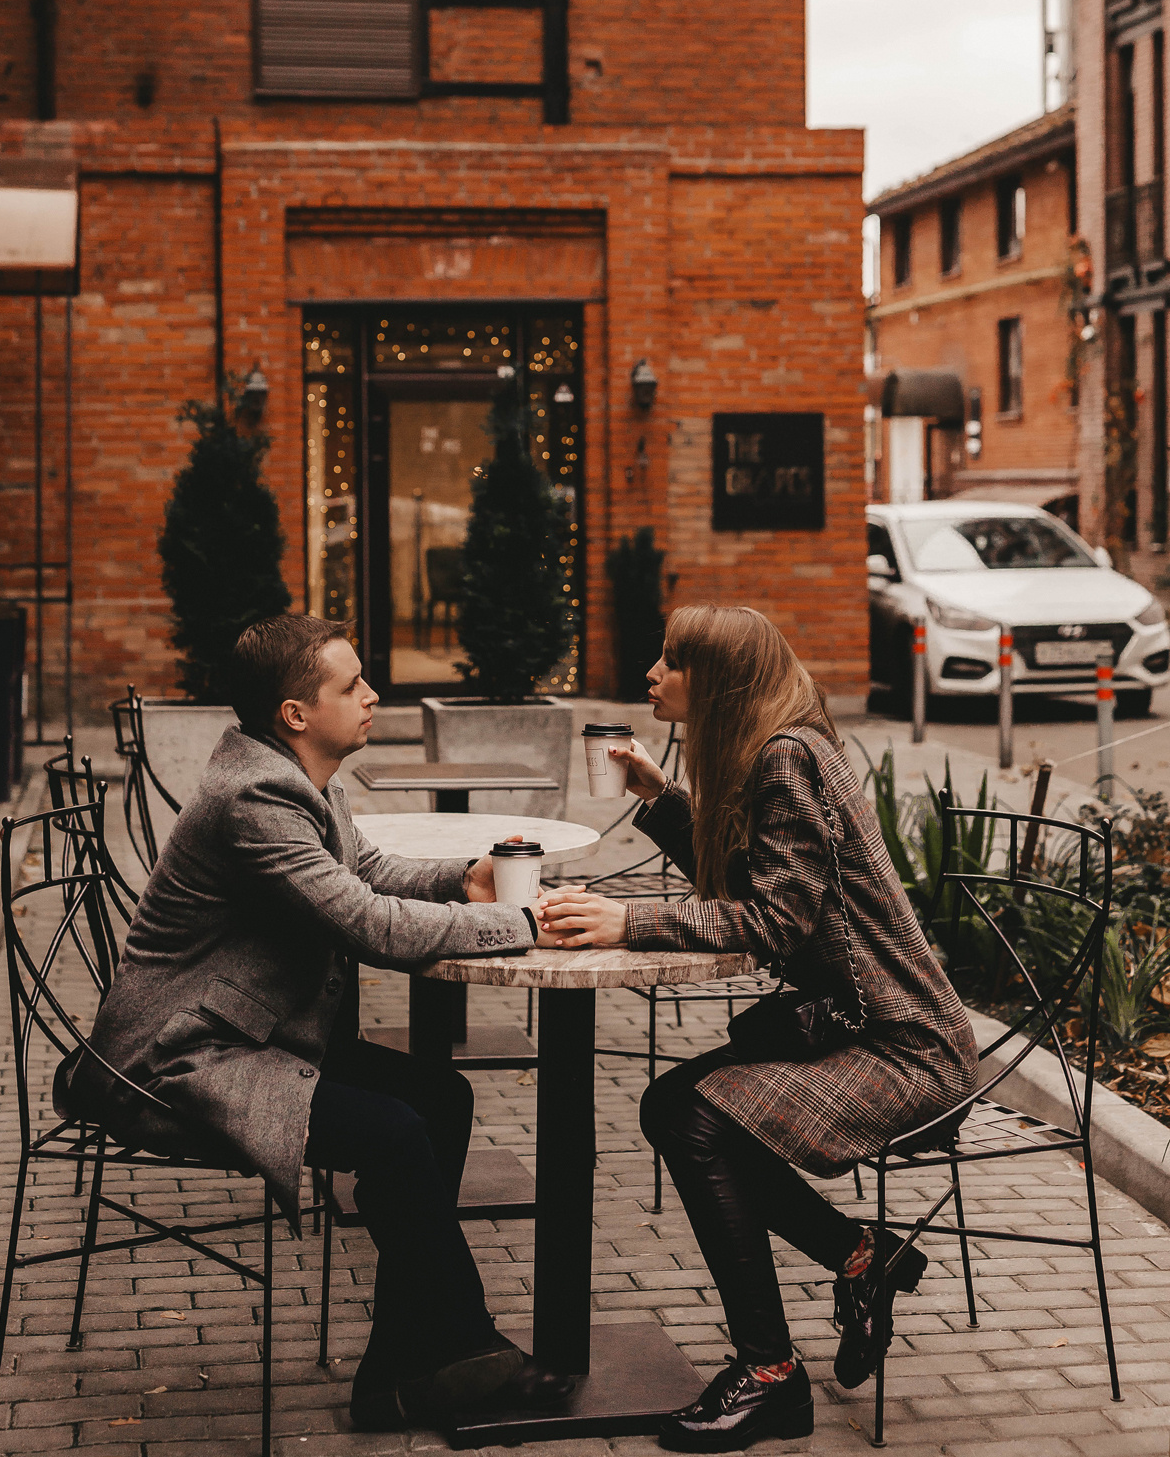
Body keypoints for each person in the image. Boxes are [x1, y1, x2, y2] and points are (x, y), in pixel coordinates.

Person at [59, 613, 568, 1430]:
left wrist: (463, 878)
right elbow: (369, 924)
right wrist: (525, 923)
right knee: (397, 1131)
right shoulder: (254, 795)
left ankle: (401, 1372)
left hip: (247, 1036)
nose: (372, 695)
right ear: (296, 713)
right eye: (351, 685)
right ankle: (458, 1350)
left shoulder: (295, 777)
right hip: (175, 1058)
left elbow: (366, 870)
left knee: (441, 1100)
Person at [537, 605, 978, 1451]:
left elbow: (774, 916)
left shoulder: (785, 759)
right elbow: (761, 877)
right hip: (870, 1030)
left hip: (906, 1048)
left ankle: (772, 1373)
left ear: (718, 682)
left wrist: (630, 921)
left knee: (692, 1113)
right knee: (676, 1106)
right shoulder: (788, 746)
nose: (651, 676)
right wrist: (663, 799)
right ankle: (860, 1259)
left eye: (670, 663)